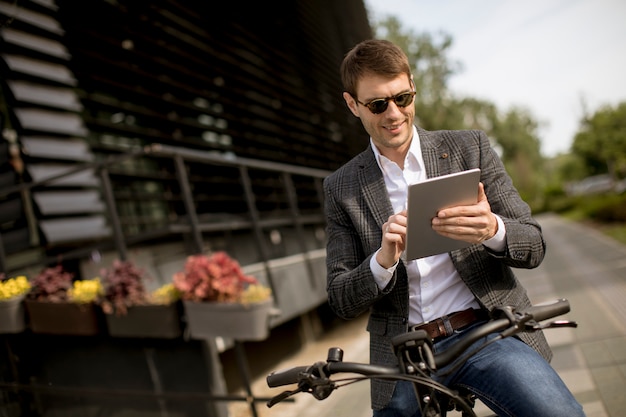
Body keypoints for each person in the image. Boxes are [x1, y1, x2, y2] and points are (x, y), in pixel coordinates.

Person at [323, 39, 585, 417]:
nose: (394, 113)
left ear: (413, 85)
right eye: (378, 104)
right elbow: (340, 297)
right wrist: (382, 261)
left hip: (486, 332)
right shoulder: (341, 187)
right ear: (352, 105)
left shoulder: (469, 148)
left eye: (404, 97)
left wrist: (492, 229)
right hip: (406, 353)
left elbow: (534, 244)